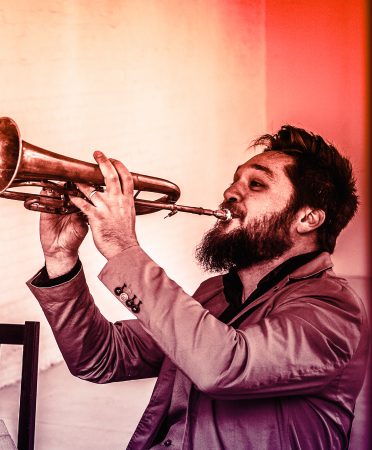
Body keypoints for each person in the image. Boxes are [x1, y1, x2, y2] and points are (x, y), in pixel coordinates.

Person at [27, 125, 368, 449]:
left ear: (307, 218)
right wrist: (61, 259)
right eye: (235, 180)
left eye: (256, 184)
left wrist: (122, 247)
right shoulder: (214, 294)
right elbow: (101, 358)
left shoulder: (333, 309)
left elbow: (225, 365)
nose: (230, 192)